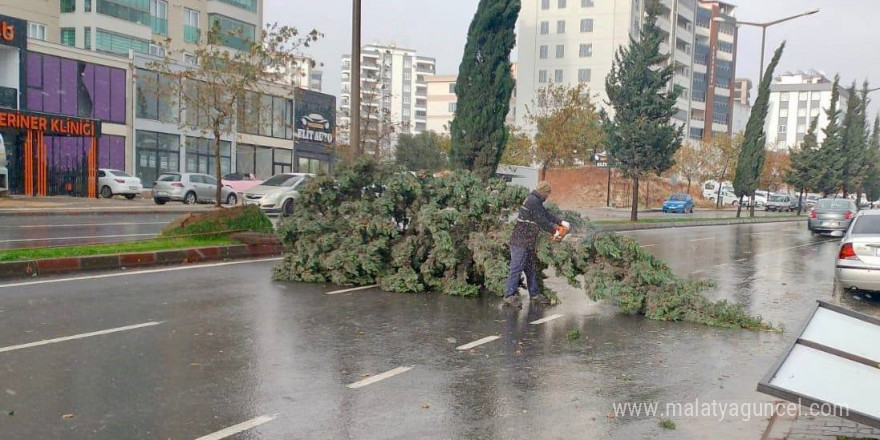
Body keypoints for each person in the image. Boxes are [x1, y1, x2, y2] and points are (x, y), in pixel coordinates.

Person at [503, 181, 567, 307]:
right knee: (516, 268)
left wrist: (560, 221)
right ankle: (509, 295)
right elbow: (542, 221)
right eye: (547, 194)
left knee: (531, 269)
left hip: (527, 241)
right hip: (520, 241)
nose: (547, 197)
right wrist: (556, 231)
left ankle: (535, 294)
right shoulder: (533, 201)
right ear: (543, 192)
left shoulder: (535, 201)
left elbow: (546, 214)